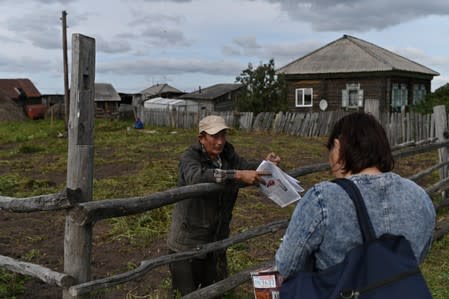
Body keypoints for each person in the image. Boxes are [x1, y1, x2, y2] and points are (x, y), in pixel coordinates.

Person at [275, 112, 436, 280]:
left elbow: (287, 265)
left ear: (337, 148)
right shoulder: (420, 196)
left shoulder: (322, 198)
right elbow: (419, 255)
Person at [167, 114, 281, 296]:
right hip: (188, 240)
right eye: (214, 136)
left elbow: (245, 165)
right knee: (187, 292)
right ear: (201, 138)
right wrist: (236, 175)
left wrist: (265, 164)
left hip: (216, 237)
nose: (220, 141)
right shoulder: (190, 157)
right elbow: (195, 176)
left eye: (223, 135)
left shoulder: (227, 154)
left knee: (215, 290)